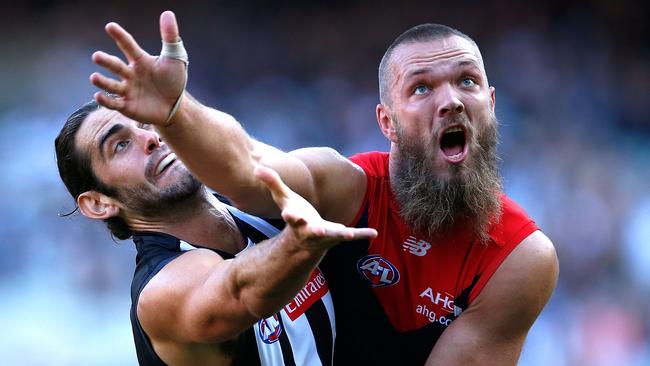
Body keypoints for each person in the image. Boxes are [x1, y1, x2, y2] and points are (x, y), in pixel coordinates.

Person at [91, 11, 559, 365]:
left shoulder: (519, 258)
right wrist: (175, 112)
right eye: (421, 89)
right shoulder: (344, 188)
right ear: (386, 123)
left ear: (491, 104)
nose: (451, 101)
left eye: (467, 81)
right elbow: (247, 166)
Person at [56, 88, 376, 365]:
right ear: (99, 204)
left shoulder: (264, 202)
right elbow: (241, 291)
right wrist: (300, 243)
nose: (151, 138)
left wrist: (177, 104)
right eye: (120, 145)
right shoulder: (159, 293)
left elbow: (328, 173)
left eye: (146, 123)